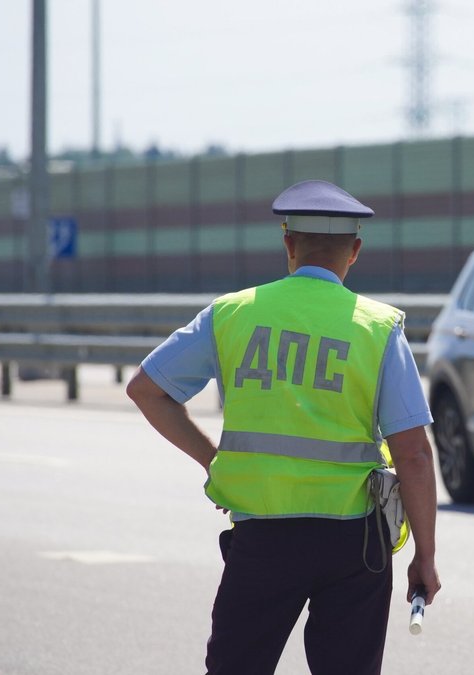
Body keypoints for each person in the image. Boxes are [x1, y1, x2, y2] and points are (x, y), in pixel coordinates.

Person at [126, 179, 441, 675]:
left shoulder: (232, 314)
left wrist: (215, 459)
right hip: (354, 543)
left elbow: (146, 389)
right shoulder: (378, 328)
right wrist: (425, 553)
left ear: (288, 244)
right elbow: (414, 454)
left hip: (263, 539)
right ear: (355, 251)